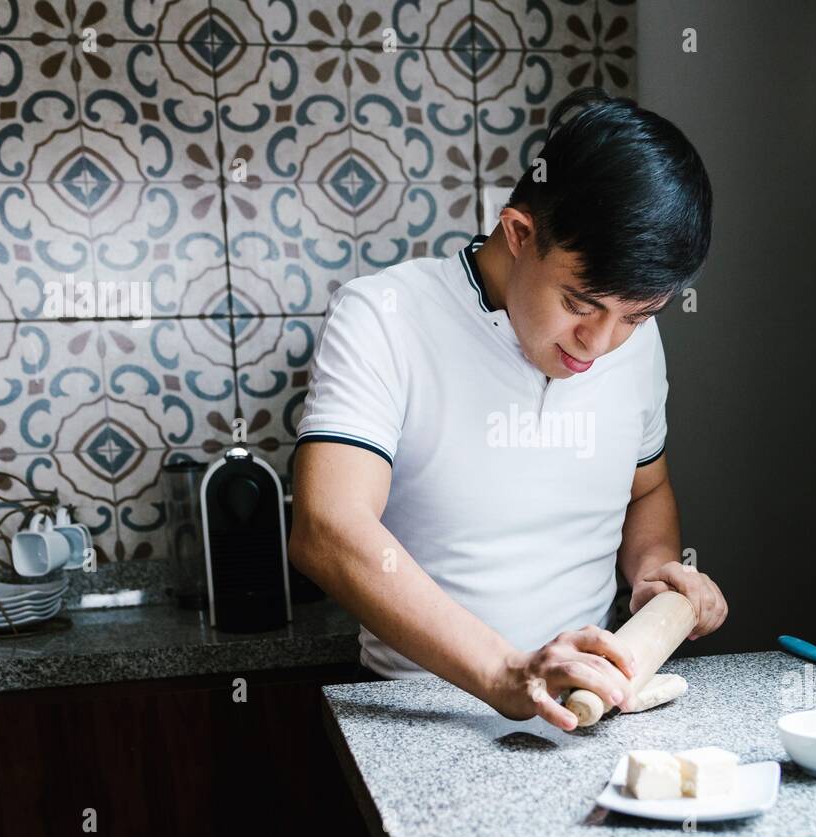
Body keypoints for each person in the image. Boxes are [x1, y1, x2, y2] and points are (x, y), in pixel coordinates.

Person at [290, 87, 726, 731]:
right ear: (520, 233)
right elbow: (327, 529)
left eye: (634, 317)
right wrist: (503, 672)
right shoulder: (384, 317)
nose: (601, 344)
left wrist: (653, 570)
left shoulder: (634, 344)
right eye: (580, 305)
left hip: (589, 707)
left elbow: (646, 489)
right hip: (425, 712)